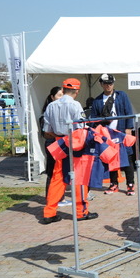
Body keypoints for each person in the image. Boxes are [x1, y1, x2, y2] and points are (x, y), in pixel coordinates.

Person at [42, 78, 98, 224]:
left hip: (58, 143)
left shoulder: (51, 106)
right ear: (77, 91)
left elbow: (47, 130)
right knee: (79, 178)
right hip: (75, 144)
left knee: (57, 178)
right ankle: (81, 212)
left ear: (63, 89)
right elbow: (81, 127)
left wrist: (58, 138)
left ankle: (49, 212)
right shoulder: (75, 105)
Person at [90, 74, 136, 195]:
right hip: (107, 133)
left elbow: (129, 112)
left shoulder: (121, 96)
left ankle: (130, 184)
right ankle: (113, 183)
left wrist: (128, 128)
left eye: (110, 83)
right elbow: (94, 119)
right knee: (110, 158)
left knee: (128, 157)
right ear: (101, 84)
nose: (108, 86)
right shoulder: (98, 100)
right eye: (106, 83)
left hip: (120, 132)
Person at [39, 86, 66, 206]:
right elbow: (46, 132)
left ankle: (60, 197)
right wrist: (59, 134)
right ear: (52, 97)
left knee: (61, 171)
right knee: (52, 172)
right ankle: (51, 198)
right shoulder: (48, 112)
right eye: (59, 95)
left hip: (61, 143)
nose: (61, 98)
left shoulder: (61, 111)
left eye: (63, 95)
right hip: (53, 144)